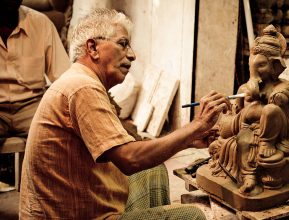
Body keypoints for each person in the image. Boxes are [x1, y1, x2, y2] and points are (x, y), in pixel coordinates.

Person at [19, 8, 230, 219]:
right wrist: (198, 124)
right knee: (191, 216)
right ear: (92, 48)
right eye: (123, 44)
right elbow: (130, 159)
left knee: (152, 171)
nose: (132, 55)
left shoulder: (82, 81)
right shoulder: (82, 87)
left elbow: (133, 152)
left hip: (78, 203)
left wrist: (189, 139)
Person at [208, 25, 289, 194]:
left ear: (276, 66)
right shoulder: (245, 89)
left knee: (270, 111)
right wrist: (246, 103)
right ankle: (249, 177)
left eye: (262, 65)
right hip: (249, 132)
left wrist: (274, 100)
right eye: (253, 65)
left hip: (278, 138)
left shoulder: (284, 88)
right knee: (241, 141)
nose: (256, 71)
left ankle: (266, 146)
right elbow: (237, 120)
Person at [0, 0, 69, 191]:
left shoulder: (41, 23)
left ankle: (39, 203)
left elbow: (64, 77)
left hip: (31, 105)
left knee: (59, 140)